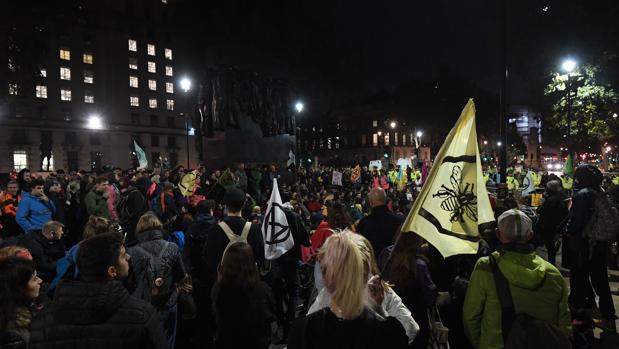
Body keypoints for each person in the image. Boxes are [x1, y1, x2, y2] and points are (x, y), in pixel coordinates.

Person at [29, 232, 167, 349]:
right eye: (123, 255)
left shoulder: (42, 321)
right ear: (112, 271)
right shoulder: (142, 315)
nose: (128, 258)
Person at [463, 209, 571, 348]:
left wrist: (482, 343)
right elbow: (564, 325)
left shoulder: (486, 267)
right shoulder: (553, 274)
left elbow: (470, 317)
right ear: (530, 235)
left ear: (497, 233)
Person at [288, 232, 409, 349]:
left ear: (324, 276)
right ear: (367, 274)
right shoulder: (390, 333)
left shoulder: (302, 331)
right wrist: (379, 309)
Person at [126, 212, 189, 349]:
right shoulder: (172, 247)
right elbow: (181, 276)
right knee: (167, 341)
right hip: (169, 303)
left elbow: (128, 282)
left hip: (142, 305)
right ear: (158, 227)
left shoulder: (131, 252)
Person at [564, 164, 616, 328]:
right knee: (600, 278)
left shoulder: (583, 195)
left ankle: (578, 314)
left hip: (586, 244)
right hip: (601, 244)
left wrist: (565, 230)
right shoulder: (599, 192)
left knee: (579, 278)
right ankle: (608, 312)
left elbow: (576, 222)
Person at [211, 242, 276, 349]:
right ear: (251, 262)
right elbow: (270, 315)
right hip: (256, 343)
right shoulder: (262, 289)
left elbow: (214, 317)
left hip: (227, 342)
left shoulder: (217, 289)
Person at [382, 231, 436, 348]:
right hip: (417, 321)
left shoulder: (386, 257)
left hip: (392, 319)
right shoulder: (420, 265)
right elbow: (429, 298)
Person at [203, 188, 265, 281]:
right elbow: (260, 258)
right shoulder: (255, 229)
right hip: (249, 282)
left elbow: (209, 259)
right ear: (243, 205)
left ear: (226, 205)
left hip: (223, 283)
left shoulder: (214, 229)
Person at [0, 257, 42, 348]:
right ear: (19, 287)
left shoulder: (24, 308)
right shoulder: (12, 334)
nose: (40, 281)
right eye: (34, 279)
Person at [357, 187, 405, 256]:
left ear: (371, 202)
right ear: (385, 200)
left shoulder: (364, 223)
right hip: (395, 264)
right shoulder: (400, 220)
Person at [535, 180, 568, 266]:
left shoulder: (551, 200)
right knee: (551, 246)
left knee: (547, 244)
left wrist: (543, 202)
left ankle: (549, 263)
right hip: (557, 225)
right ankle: (551, 263)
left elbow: (540, 210)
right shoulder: (563, 197)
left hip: (547, 225)